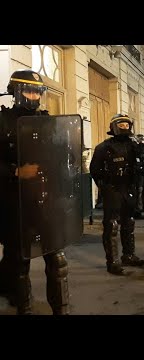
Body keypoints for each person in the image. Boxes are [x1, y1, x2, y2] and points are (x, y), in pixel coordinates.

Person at [0, 69, 71, 314]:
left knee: (57, 259)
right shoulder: (2, 121)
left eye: (37, 91)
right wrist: (15, 172)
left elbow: (60, 156)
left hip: (45, 200)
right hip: (15, 202)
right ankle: (25, 308)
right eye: (29, 90)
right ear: (16, 92)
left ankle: (61, 309)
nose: (34, 96)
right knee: (21, 263)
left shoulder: (47, 121)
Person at [90, 114, 144, 276]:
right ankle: (112, 261)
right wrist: (104, 185)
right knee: (111, 225)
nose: (125, 128)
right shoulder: (104, 147)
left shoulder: (134, 145)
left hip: (129, 187)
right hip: (113, 189)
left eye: (127, 125)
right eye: (121, 125)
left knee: (129, 222)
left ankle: (128, 254)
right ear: (114, 127)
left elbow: (142, 165)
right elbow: (95, 170)